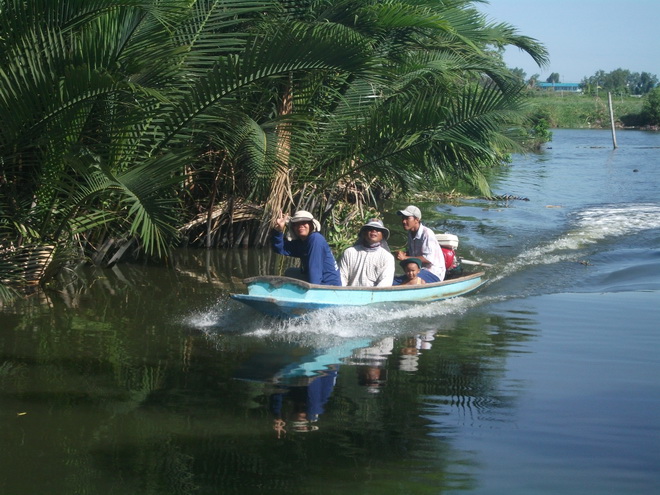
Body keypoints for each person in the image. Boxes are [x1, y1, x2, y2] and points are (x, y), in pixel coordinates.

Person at [271, 210, 341, 286]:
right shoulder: (302, 242)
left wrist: (313, 291)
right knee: (290, 272)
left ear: (311, 225)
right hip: (315, 279)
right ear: (293, 228)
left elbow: (315, 273)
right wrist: (278, 231)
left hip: (327, 286)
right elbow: (280, 248)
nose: (300, 226)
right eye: (296, 224)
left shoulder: (315, 239)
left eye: (304, 222)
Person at [395, 205, 445, 282]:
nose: (404, 221)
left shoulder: (427, 233)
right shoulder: (410, 233)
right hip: (417, 271)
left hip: (432, 272)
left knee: (409, 282)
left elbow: (428, 258)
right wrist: (404, 254)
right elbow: (414, 254)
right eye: (403, 218)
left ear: (417, 220)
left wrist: (405, 258)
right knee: (394, 281)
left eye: (407, 218)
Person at [338, 218, 395, 287]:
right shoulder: (349, 252)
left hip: (374, 296)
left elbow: (385, 283)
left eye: (378, 230)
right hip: (350, 294)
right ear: (364, 233)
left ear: (382, 235)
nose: (374, 231)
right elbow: (342, 277)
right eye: (370, 228)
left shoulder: (387, 257)